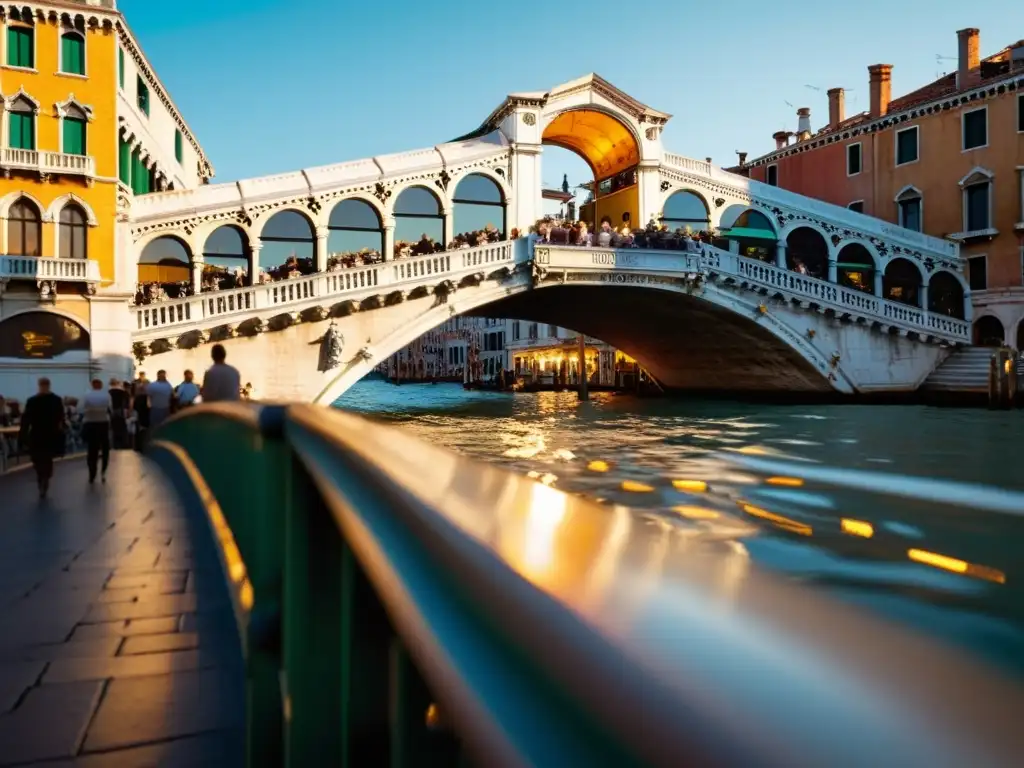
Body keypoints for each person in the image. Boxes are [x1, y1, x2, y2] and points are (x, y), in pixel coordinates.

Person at [19, 378, 65, 499]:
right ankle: (45, 477)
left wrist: (23, 434)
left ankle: (42, 478)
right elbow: (61, 418)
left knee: (38, 458)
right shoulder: (56, 400)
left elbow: (26, 419)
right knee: (47, 458)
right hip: (51, 433)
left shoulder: (32, 401)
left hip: (37, 433)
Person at [80, 378, 111, 484]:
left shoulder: (87, 395)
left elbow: (81, 408)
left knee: (92, 449)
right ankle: (103, 471)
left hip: (90, 423)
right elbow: (110, 408)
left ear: (92, 385)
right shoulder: (106, 395)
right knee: (105, 448)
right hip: (103, 423)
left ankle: (92, 473)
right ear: (101, 385)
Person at [108, 379, 129, 449]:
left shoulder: (108, 392)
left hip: (112, 412)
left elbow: (108, 404)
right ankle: (123, 444)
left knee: (113, 429)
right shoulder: (123, 392)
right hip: (121, 412)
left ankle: (114, 444)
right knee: (122, 429)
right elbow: (126, 404)